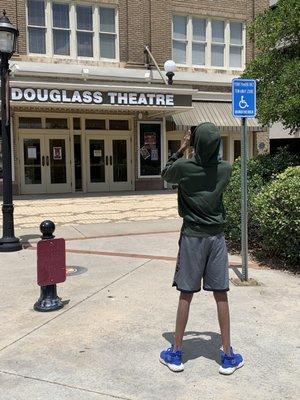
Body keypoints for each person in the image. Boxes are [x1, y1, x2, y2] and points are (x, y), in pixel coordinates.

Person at [159, 122, 244, 375]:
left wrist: (182, 147)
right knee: (221, 293)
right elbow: (214, 164)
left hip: (192, 237)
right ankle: (227, 355)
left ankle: (175, 352)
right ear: (216, 144)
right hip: (216, 238)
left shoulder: (184, 167)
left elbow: (165, 173)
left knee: (186, 293)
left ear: (194, 144)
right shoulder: (226, 169)